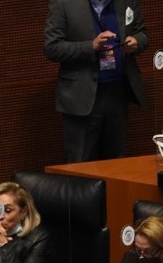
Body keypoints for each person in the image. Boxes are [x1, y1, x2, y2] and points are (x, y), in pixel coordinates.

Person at [44, 0, 149, 163]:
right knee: (81, 163)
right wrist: (90, 46)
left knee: (116, 162)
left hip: (118, 94)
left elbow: (142, 33)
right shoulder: (63, 4)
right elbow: (52, 47)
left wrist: (137, 42)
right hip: (81, 97)